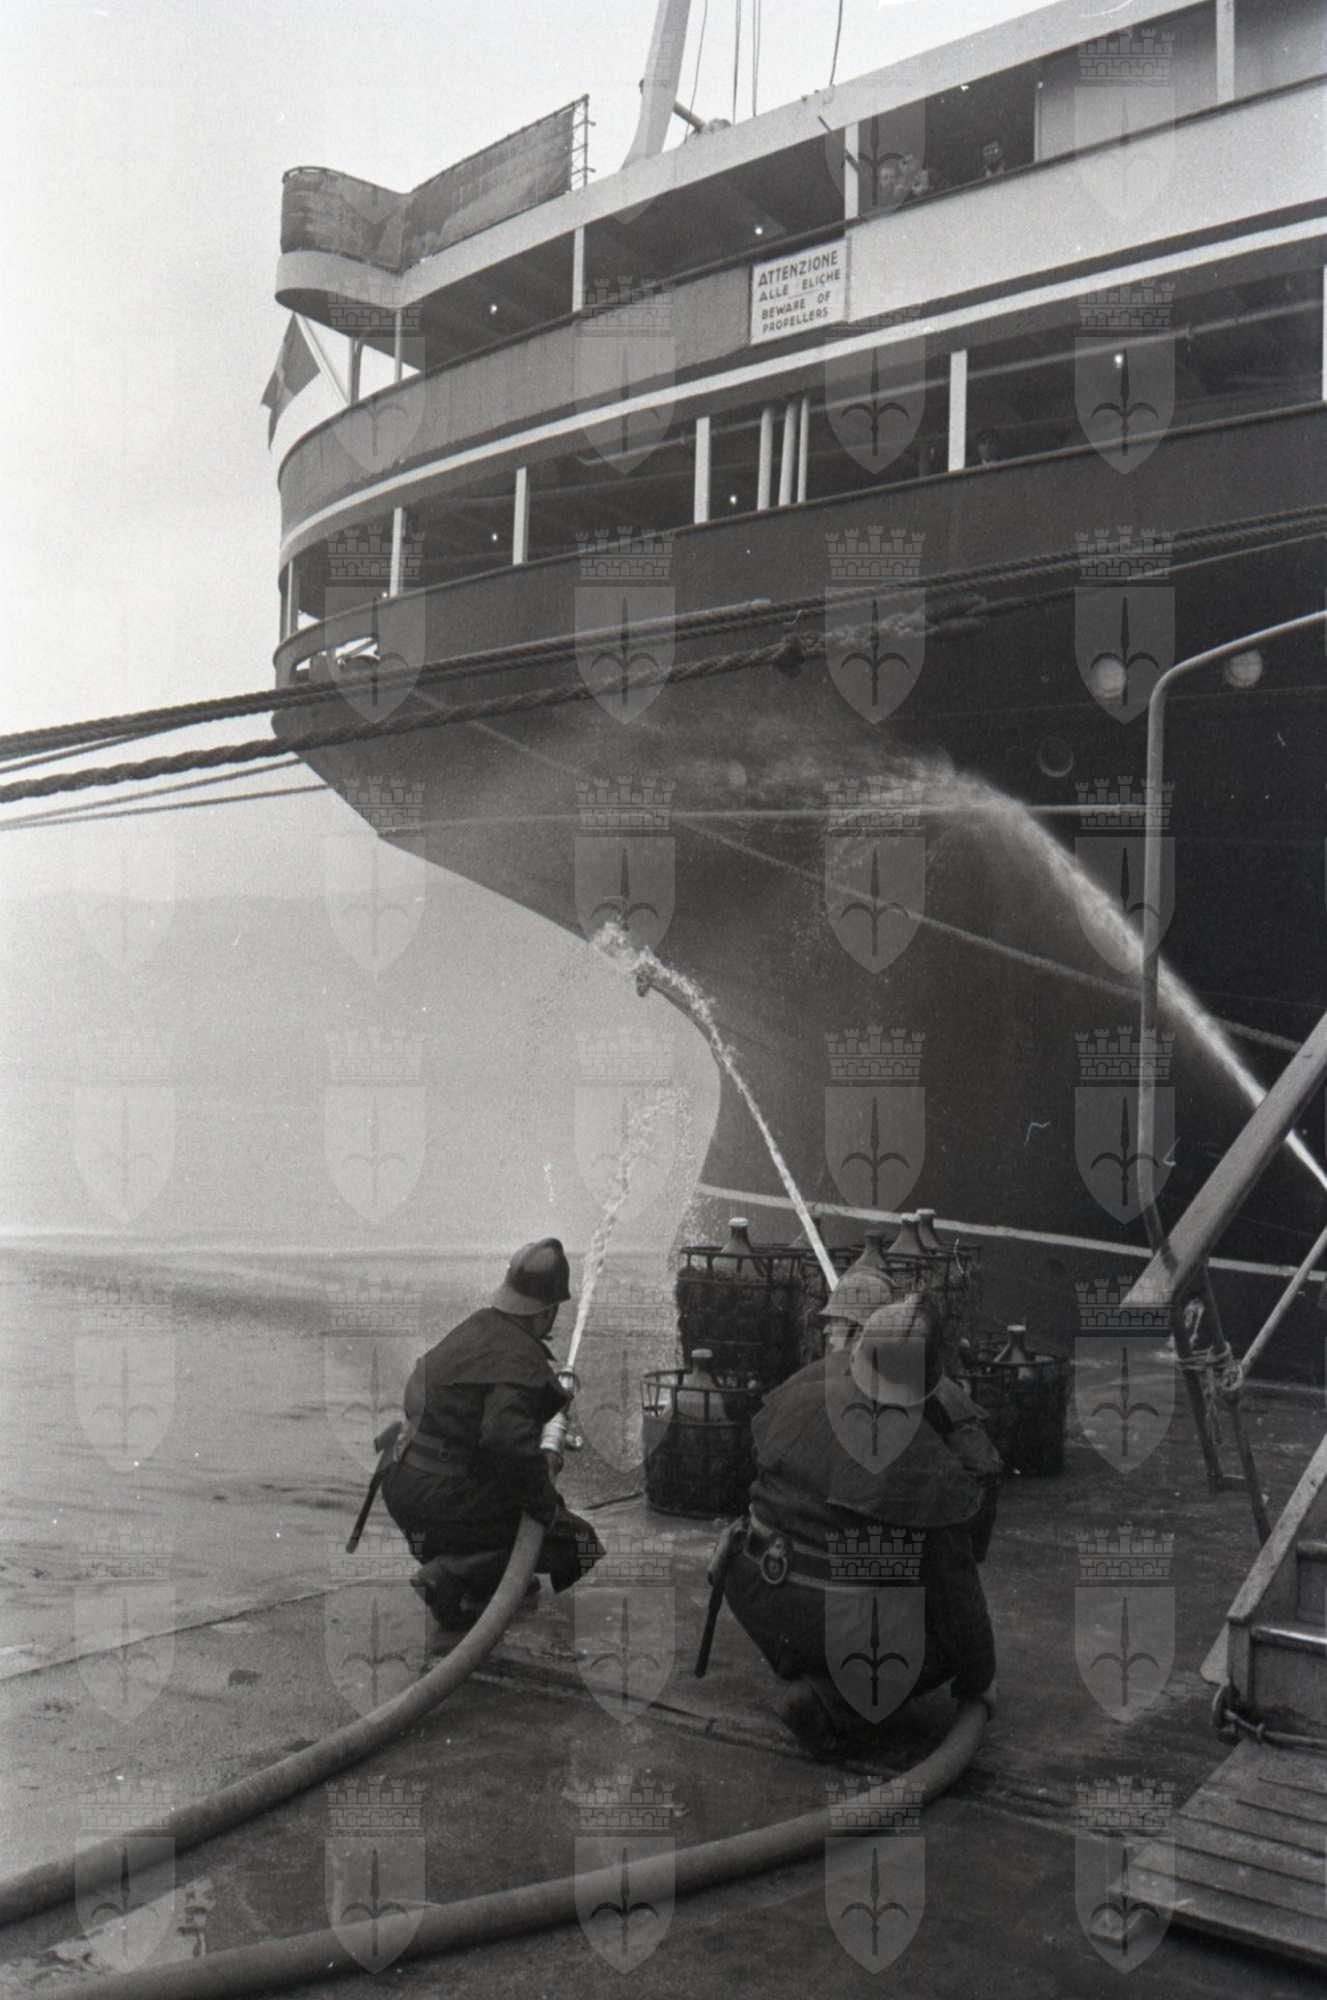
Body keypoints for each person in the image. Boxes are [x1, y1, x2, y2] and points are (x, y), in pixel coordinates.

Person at [717, 1289, 999, 1753]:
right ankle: (832, 1701)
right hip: (833, 1623)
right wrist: (980, 1679)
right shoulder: (926, 1469)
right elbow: (958, 1596)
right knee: (946, 1639)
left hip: (752, 1589)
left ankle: (806, 1658)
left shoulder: (804, 1391)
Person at [381, 1237, 604, 1627]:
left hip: (402, 1484)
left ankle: (478, 1576)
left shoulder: (476, 1328)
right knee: (579, 1543)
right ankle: (451, 1577)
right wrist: (547, 1506)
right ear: (545, 1313)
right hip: (440, 1500)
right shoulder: (521, 1357)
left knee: (512, 1513)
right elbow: (506, 1440)